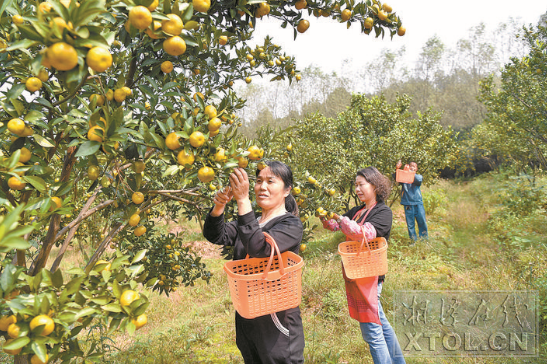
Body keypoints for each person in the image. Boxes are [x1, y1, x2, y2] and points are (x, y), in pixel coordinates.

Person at [203, 161, 305, 364]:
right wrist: (219, 207)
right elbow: (216, 235)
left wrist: (242, 201)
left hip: (276, 321)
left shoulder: (290, 225)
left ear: (287, 190)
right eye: (258, 181)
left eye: (270, 181)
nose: (262, 187)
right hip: (248, 317)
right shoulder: (252, 222)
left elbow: (258, 248)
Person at [321, 167, 405, 364]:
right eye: (355, 185)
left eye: (361, 184)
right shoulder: (358, 210)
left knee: (372, 331)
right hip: (357, 273)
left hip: (370, 276)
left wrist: (341, 219)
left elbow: (364, 233)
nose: (357, 189)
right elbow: (335, 226)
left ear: (374, 185)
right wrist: (325, 216)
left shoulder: (383, 212)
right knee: (381, 323)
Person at [396, 160, 428, 242]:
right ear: (407, 166)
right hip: (408, 204)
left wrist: (409, 172)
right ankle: (413, 241)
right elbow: (397, 178)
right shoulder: (403, 177)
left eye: (414, 166)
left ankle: (424, 240)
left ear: (416, 169)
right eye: (411, 166)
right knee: (410, 224)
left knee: (422, 222)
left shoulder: (418, 176)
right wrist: (398, 168)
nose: (412, 167)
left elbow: (418, 180)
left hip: (418, 203)